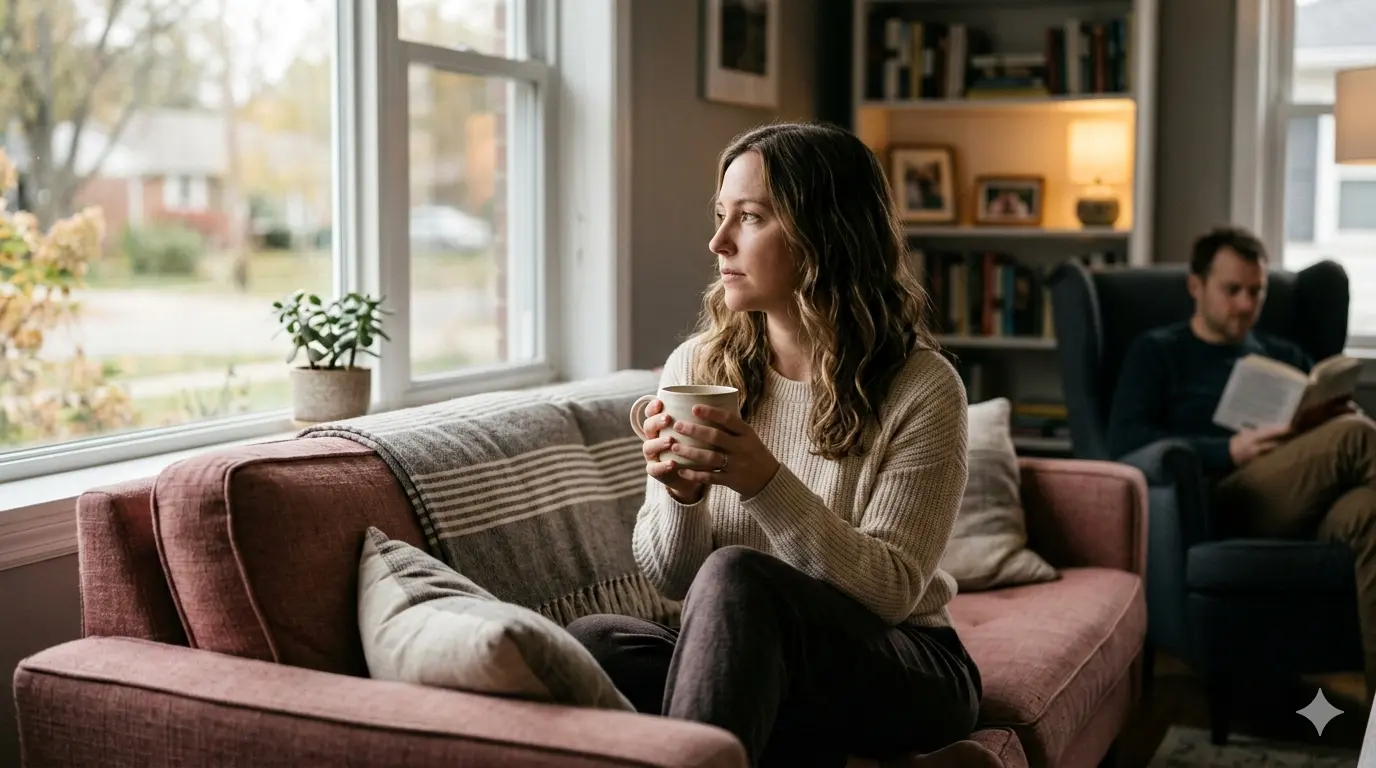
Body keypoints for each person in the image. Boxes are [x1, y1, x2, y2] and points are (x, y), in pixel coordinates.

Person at [565, 122, 986, 766]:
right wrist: (682, 496)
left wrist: (764, 481)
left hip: (904, 660)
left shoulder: (922, 387)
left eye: (750, 217)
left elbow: (894, 592)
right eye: (719, 214)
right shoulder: (697, 366)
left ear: (826, 233)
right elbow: (674, 580)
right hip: (755, 649)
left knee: (738, 575)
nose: (718, 241)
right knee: (596, 643)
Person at [1105, 225, 1376, 701]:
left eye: (1257, 291)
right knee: (1357, 439)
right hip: (1225, 498)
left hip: (1307, 496)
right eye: (1233, 290)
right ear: (1196, 286)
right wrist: (1227, 450)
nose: (1247, 304)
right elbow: (1126, 440)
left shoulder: (1285, 356)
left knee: (1368, 512)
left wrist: (1332, 416)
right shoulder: (1158, 351)